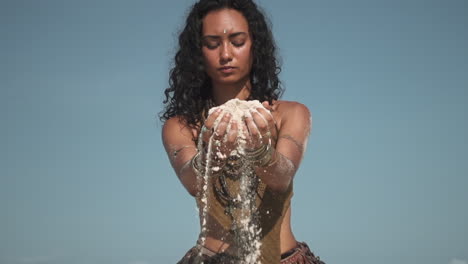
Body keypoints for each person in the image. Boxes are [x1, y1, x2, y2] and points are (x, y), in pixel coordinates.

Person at [160, 0, 325, 263]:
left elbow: (282, 176)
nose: (225, 54)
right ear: (198, 52)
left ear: (255, 46)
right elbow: (192, 182)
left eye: (237, 41)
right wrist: (209, 157)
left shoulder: (290, 114)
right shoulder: (183, 125)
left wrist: (259, 151)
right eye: (212, 44)